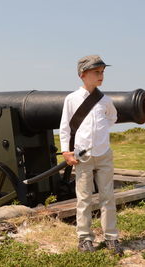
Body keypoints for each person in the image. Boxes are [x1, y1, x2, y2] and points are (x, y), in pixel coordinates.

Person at [59, 55, 123, 255]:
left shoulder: (105, 101)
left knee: (107, 197)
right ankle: (84, 238)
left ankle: (111, 237)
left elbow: (112, 118)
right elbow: (64, 128)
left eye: (102, 72)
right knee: (84, 199)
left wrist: (100, 135)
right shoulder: (71, 99)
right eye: (97, 72)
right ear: (83, 74)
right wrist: (66, 151)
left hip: (104, 154)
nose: (101, 76)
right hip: (82, 156)